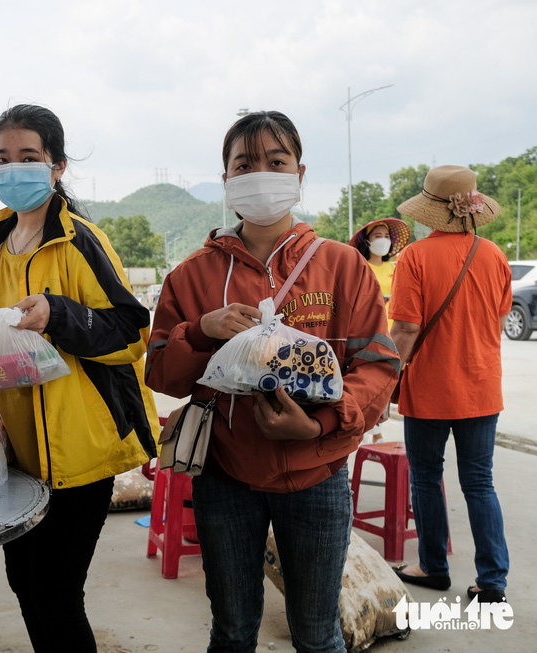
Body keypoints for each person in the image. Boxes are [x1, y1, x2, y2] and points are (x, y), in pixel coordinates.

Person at [146, 111, 399, 653]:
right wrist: (200, 330)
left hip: (317, 475)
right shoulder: (190, 275)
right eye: (245, 163)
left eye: (275, 161)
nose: (261, 174)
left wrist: (318, 424)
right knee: (233, 631)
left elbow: (378, 366)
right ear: (227, 181)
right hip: (226, 478)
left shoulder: (342, 266)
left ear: (299, 173)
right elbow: (161, 372)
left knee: (316, 632)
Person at [0, 103, 160, 653]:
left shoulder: (79, 241)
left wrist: (59, 314)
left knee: (55, 593)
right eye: (1, 158)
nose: (13, 168)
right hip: (15, 455)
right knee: (23, 585)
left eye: (29, 156)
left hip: (80, 454)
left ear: (57, 167)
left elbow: (130, 333)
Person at [388, 165, 511, 605]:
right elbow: (497, 323)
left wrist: (386, 381)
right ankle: (492, 581)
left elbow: (404, 329)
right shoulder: (494, 254)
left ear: (431, 210)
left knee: (426, 477)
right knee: (480, 482)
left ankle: (432, 566)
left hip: (430, 388)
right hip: (482, 385)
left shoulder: (416, 257)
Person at [348, 217, 412, 442]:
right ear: (367, 241)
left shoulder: (394, 269)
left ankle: (376, 427)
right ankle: (369, 428)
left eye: (386, 236)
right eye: (378, 236)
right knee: (369, 381)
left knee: (388, 382)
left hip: (395, 333)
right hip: (370, 333)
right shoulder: (360, 268)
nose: (383, 240)